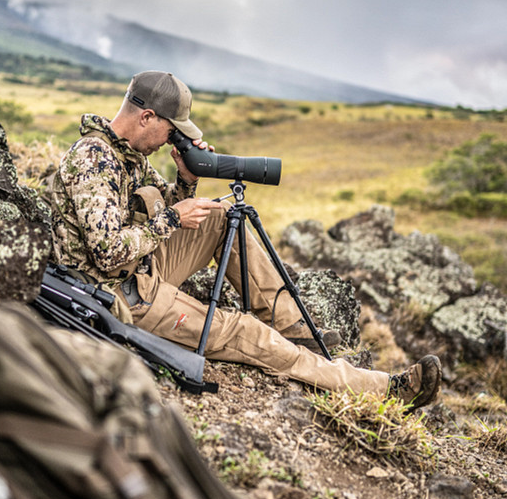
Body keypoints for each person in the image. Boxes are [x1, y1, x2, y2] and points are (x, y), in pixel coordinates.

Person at [50, 70, 441, 410]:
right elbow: (107, 252)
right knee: (245, 332)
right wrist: (173, 218)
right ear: (148, 117)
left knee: (219, 218)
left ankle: (297, 330)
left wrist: (185, 180)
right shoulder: (94, 159)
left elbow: (163, 215)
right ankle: (385, 390)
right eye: (171, 130)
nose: (170, 139)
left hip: (144, 266)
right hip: (120, 293)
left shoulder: (130, 156)